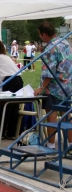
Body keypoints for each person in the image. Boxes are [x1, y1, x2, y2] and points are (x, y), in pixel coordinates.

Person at [34, 21, 72, 149]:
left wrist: (42, 87)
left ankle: (50, 145)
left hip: (55, 88)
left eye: (40, 35)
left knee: (52, 114)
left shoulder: (51, 48)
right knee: (66, 115)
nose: (40, 37)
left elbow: (49, 72)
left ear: (44, 34)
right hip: (67, 86)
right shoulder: (65, 43)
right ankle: (70, 144)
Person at [0, 39, 23, 138]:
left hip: (10, 81)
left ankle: (0, 132)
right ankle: (11, 133)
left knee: (6, 107)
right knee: (13, 108)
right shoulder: (5, 57)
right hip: (18, 80)